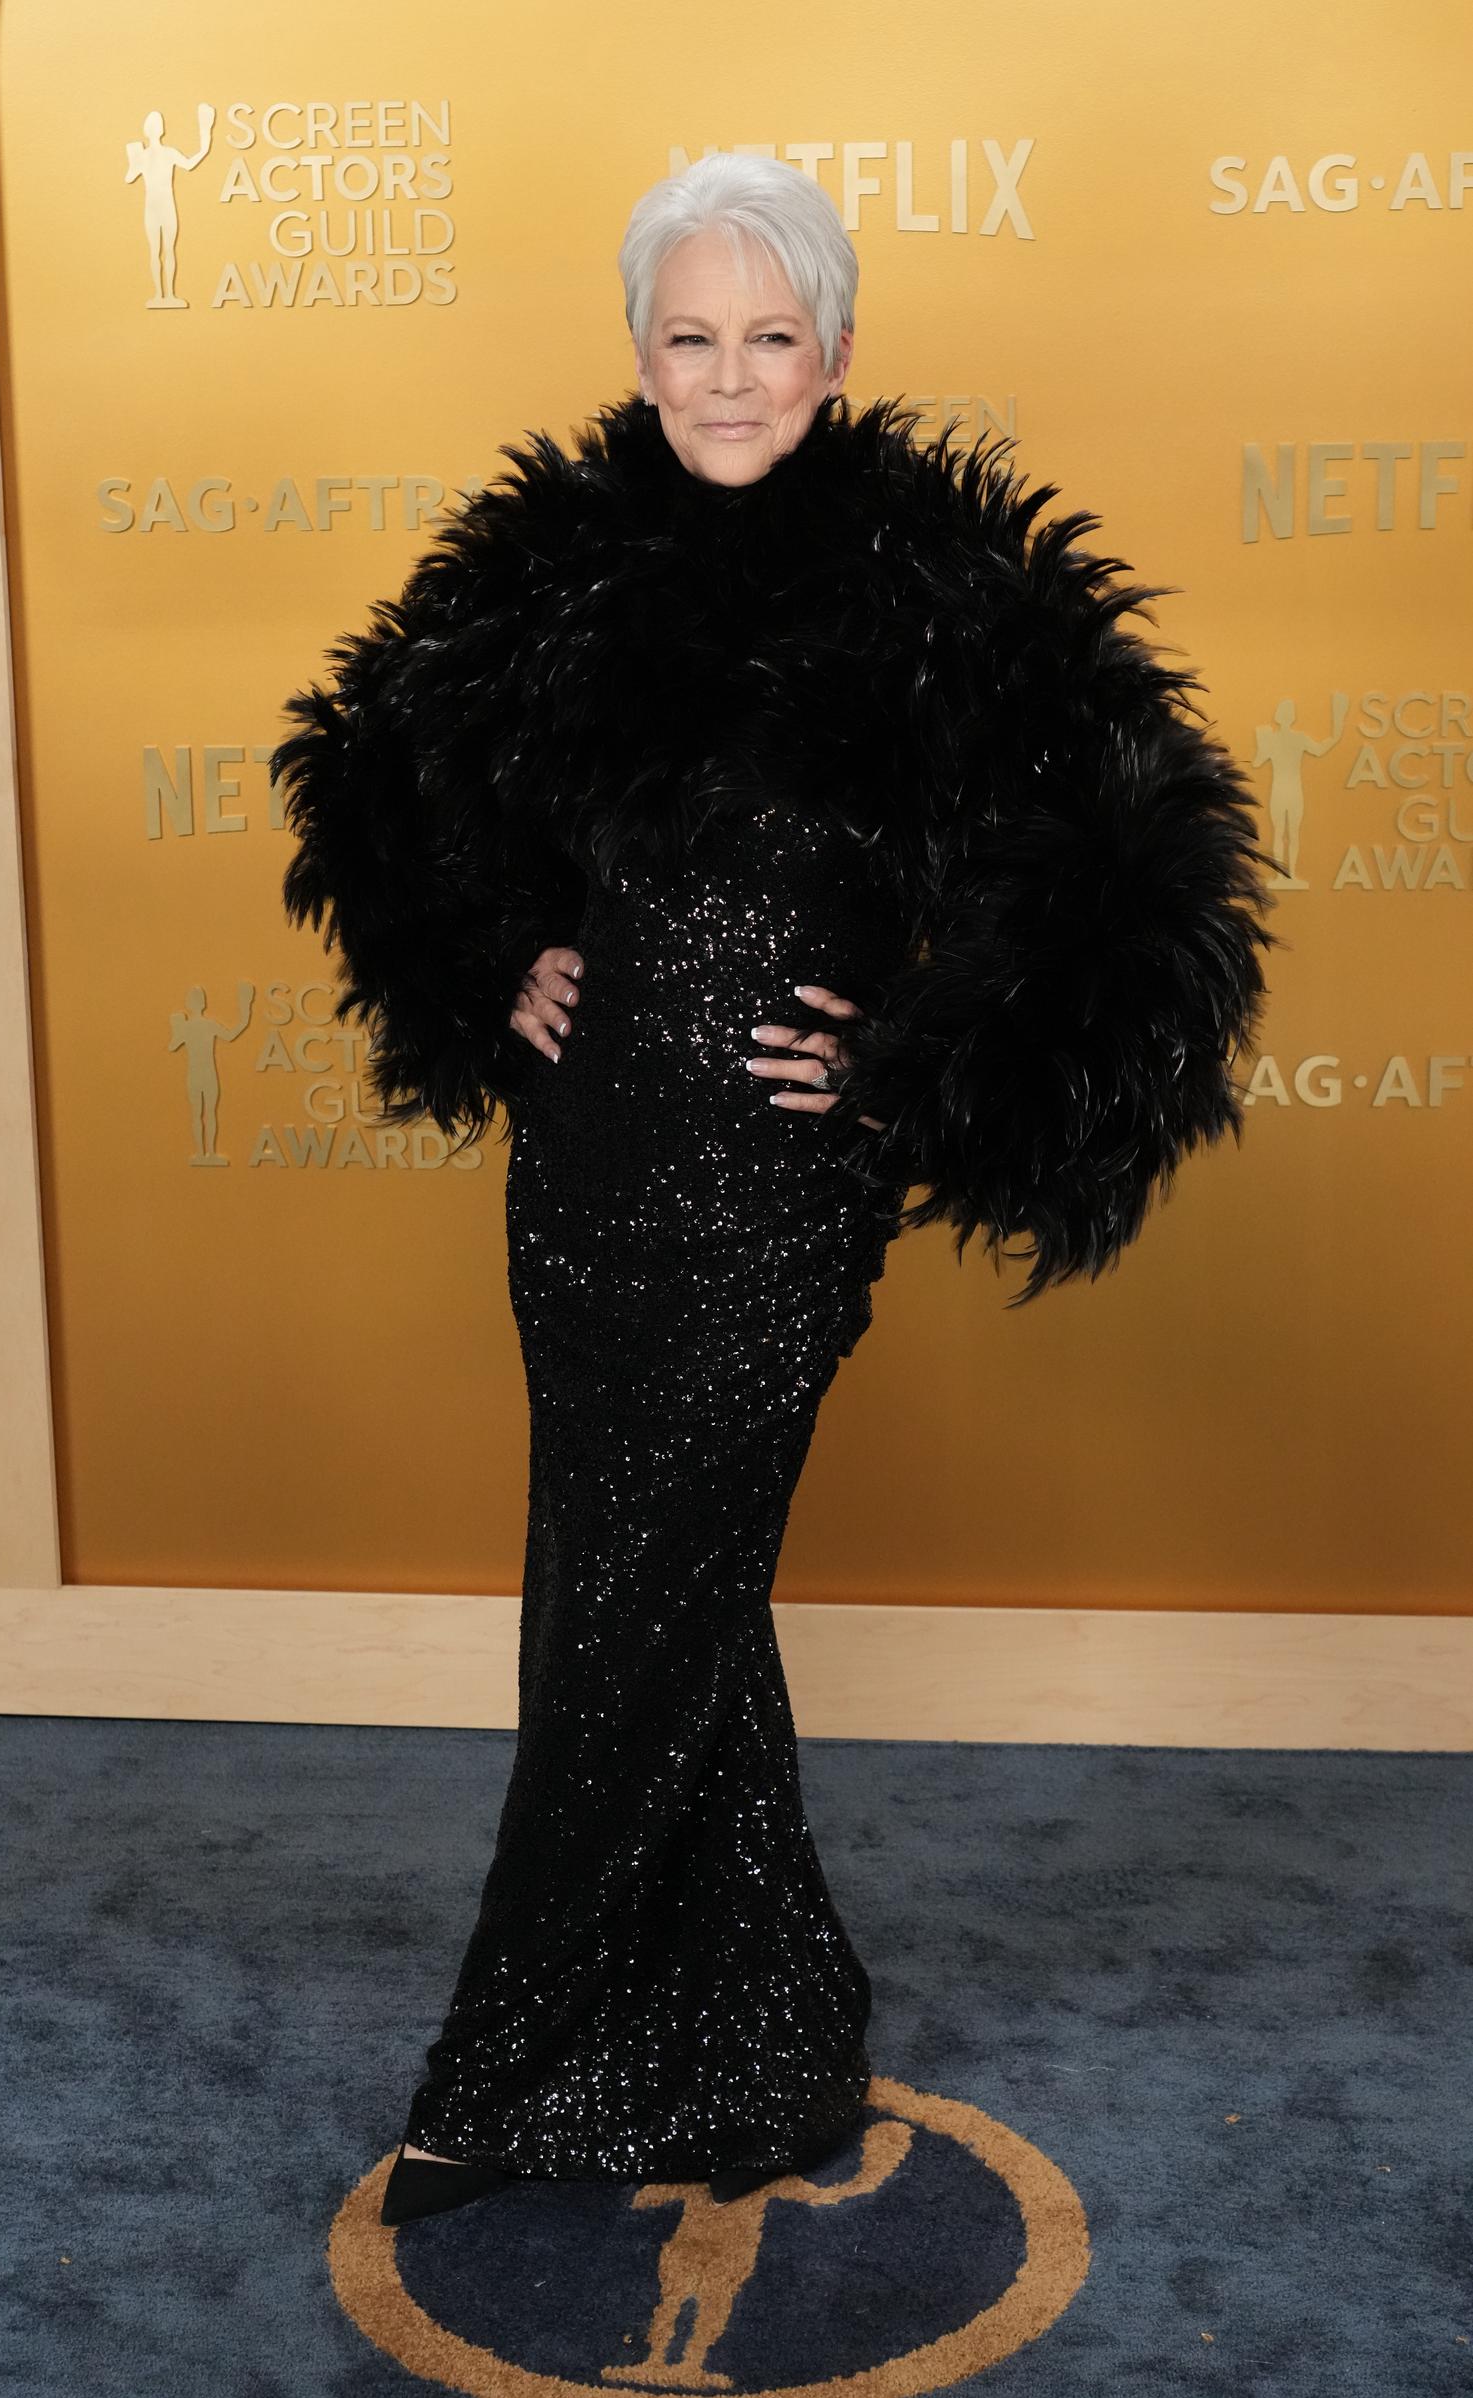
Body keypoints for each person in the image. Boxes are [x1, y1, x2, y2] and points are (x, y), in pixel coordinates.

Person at [269, 153, 1275, 2225]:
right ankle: (760, 2040)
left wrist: (911, 1063)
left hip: (769, 1202)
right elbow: (368, 771)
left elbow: (1135, 869)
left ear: (834, 349)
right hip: (580, 1180)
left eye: (769, 336)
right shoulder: (538, 564)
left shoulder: (942, 582)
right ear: (638, 351)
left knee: (627, 1622)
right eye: (685, 336)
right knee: (647, 1609)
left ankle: (498, 2070)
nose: (726, 377)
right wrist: (485, 955)